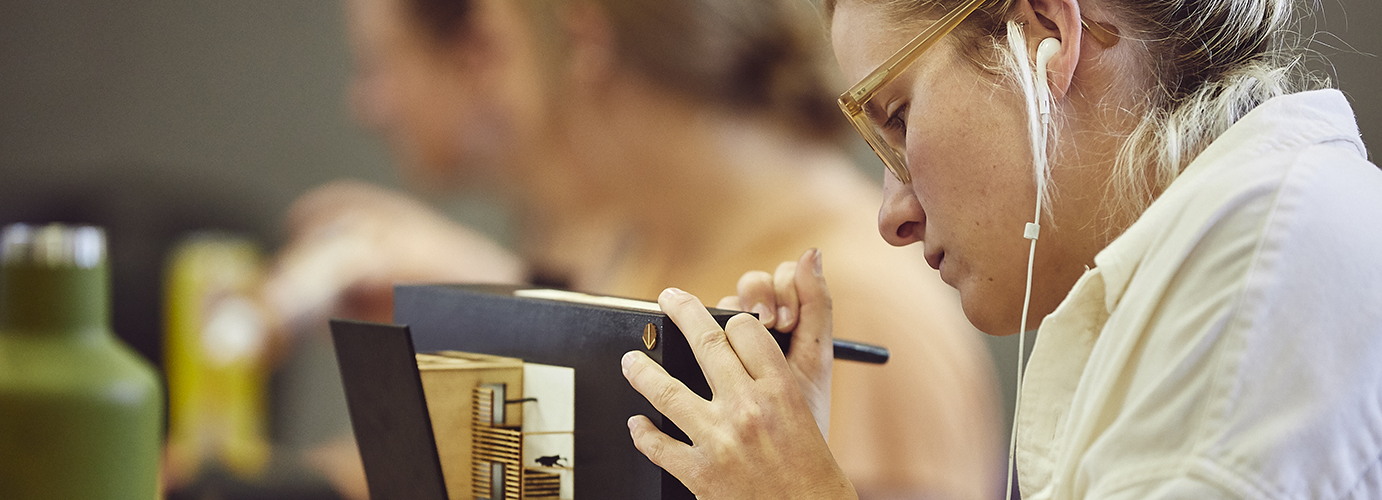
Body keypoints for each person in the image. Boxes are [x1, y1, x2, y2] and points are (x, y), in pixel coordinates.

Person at [620, 0, 1382, 498]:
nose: (893, 217)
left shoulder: (1259, 268)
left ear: (1044, 33)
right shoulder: (1219, 264)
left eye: (897, 117)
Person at [263, 0, 1005, 498]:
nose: (499, 102)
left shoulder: (858, 297)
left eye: (502, 55)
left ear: (588, 46)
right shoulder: (643, 252)